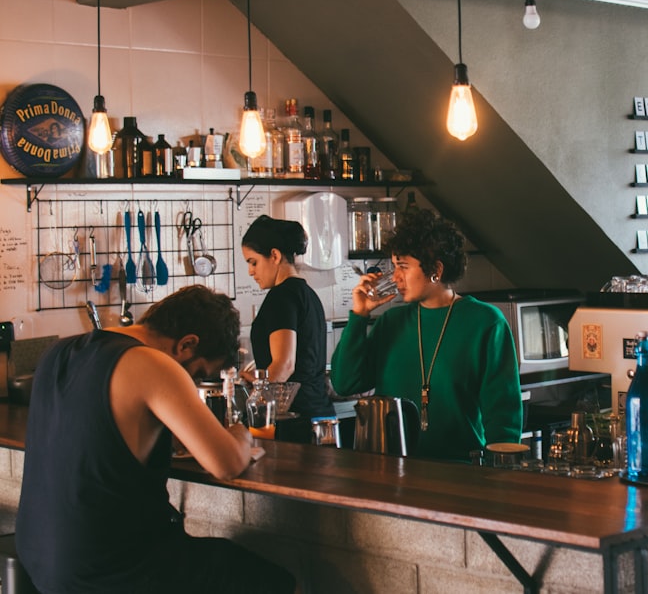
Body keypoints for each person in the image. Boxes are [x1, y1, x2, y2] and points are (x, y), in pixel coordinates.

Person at [16, 285, 296, 594]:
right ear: (187, 345)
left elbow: (100, 433)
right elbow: (226, 463)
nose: (189, 384)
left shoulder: (58, 352)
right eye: (196, 374)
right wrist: (241, 434)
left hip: (41, 564)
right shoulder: (150, 362)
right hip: (114, 570)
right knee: (280, 584)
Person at [330, 207, 523, 461]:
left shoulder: (485, 323)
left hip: (461, 473)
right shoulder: (392, 321)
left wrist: (500, 478)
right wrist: (359, 316)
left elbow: (503, 414)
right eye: (394, 265)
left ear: (436, 270)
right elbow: (345, 383)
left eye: (403, 266)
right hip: (393, 471)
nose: (395, 276)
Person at [242, 215, 335, 441]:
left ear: (274, 255)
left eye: (253, 262)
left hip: (296, 423)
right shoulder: (308, 294)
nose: (251, 272)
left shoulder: (281, 297)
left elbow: (284, 365)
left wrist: (258, 392)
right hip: (320, 416)